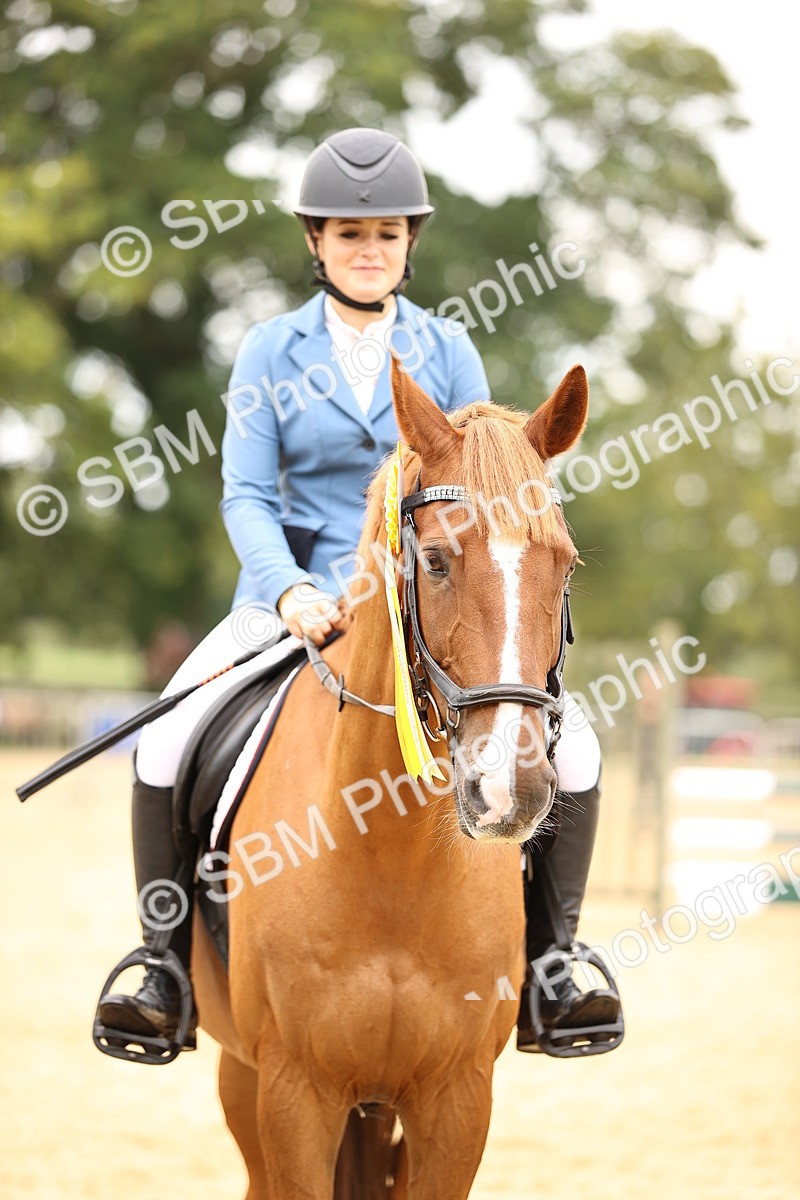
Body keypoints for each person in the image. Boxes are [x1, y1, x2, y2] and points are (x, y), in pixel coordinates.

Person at [98, 127, 621, 1053]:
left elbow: (481, 491)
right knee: (168, 733)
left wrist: (406, 584)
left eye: (385, 233)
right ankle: (162, 963)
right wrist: (293, 591)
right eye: (348, 233)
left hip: (423, 602)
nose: (368, 249)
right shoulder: (268, 350)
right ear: (316, 243)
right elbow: (247, 494)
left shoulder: (448, 347)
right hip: (285, 599)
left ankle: (552, 964)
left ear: (410, 242)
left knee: (572, 749)